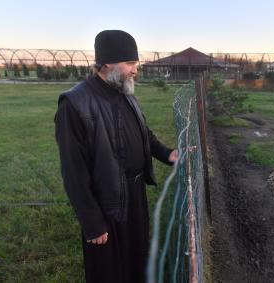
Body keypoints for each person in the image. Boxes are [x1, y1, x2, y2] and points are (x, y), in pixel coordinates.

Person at [55, 30, 178, 283]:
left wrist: (167, 154)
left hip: (134, 195)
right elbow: (73, 172)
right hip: (105, 202)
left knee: (136, 261)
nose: (136, 70)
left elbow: (144, 134)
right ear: (108, 63)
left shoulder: (124, 92)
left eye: (136, 63)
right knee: (108, 270)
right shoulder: (75, 104)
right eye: (130, 63)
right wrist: (91, 221)